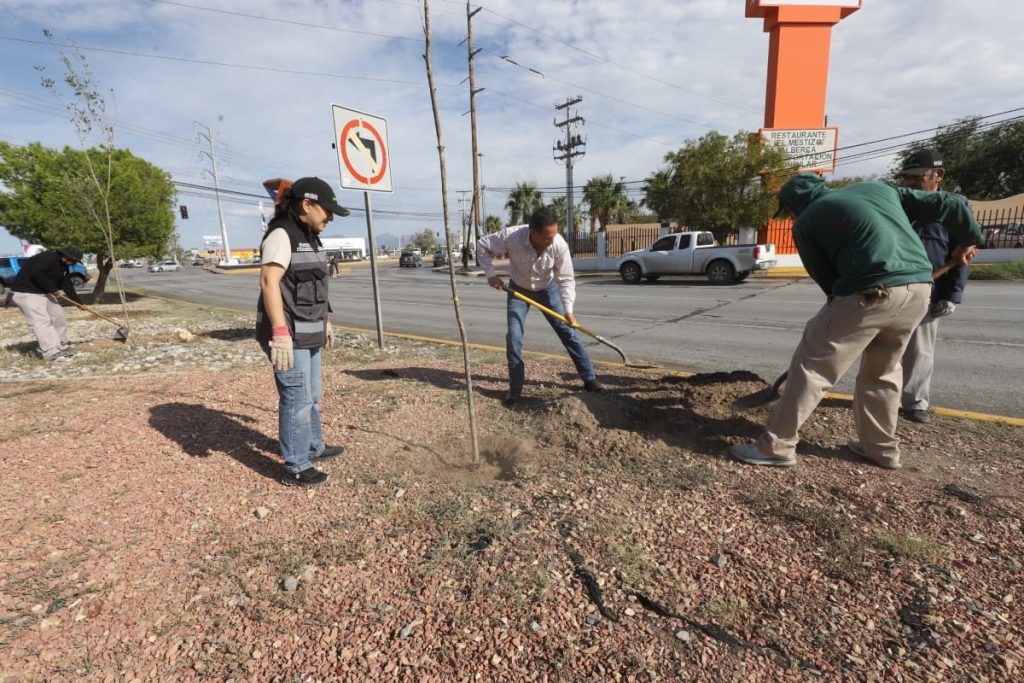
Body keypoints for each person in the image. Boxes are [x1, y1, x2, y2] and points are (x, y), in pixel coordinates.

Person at [731, 172, 983, 470]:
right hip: (919, 288)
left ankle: (776, 446)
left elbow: (829, 281)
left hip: (870, 291)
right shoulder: (878, 189)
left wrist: (837, 319)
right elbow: (948, 203)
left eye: (788, 211)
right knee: (885, 370)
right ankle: (880, 450)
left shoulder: (807, 221)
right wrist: (968, 240)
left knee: (813, 366)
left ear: (793, 205)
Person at [256, 177, 350, 488]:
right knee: (296, 399)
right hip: (290, 335)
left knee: (311, 396)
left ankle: (313, 447)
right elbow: (269, 282)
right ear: (306, 204)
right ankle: (296, 465)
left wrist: (327, 319)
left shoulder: (309, 236)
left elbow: (314, 283)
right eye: (327, 210)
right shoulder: (283, 235)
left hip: (309, 332)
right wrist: (280, 333)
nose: (330, 218)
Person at [477, 205, 602, 405]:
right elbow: (482, 245)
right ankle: (516, 388)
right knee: (514, 336)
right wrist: (491, 275)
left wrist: (568, 309)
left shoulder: (559, 244)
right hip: (518, 290)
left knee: (567, 331)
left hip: (547, 289)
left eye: (554, 234)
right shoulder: (512, 237)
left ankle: (589, 379)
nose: (551, 240)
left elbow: (566, 279)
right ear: (533, 232)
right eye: (547, 236)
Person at [898, 149, 969, 423]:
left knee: (919, 348)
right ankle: (881, 396)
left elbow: (961, 253)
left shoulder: (953, 206)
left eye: (916, 177)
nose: (910, 183)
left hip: (930, 287)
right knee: (883, 348)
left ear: (938, 175)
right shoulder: (900, 204)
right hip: (892, 288)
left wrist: (951, 294)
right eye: (906, 177)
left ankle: (915, 402)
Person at [9, 246, 85, 361]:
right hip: (26, 292)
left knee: (58, 317)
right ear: (64, 255)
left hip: (44, 292)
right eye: (71, 259)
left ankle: (61, 346)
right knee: (42, 321)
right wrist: (52, 288)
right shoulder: (48, 257)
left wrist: (78, 302)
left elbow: (66, 284)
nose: (72, 262)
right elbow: (36, 273)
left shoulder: (64, 266)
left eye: (74, 261)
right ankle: (51, 351)